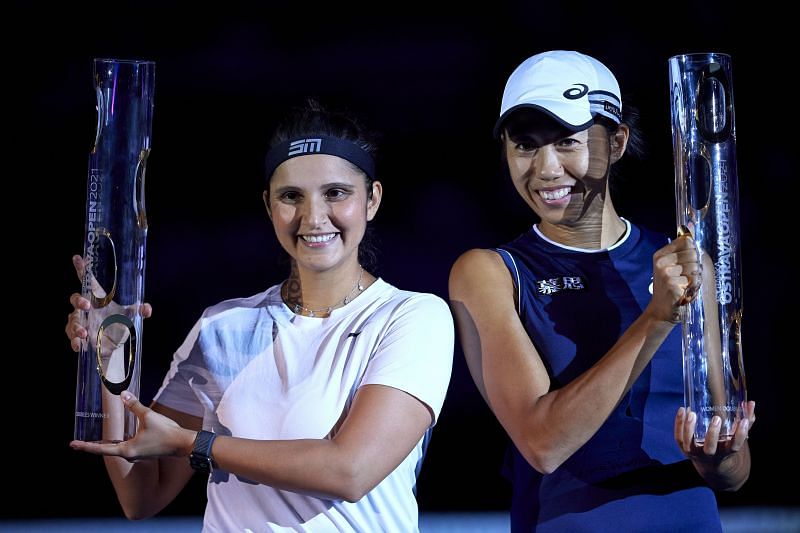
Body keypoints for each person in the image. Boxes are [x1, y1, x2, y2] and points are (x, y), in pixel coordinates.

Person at [66, 100, 454, 532]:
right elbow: (141, 495)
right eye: (291, 197)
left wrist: (198, 444)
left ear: (372, 200)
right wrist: (113, 351)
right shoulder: (221, 327)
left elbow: (350, 471)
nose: (313, 216)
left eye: (336, 193)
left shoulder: (412, 318)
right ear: (269, 206)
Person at [448, 50, 755, 532]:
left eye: (568, 142)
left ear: (616, 143)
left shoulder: (686, 264)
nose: (546, 169)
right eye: (525, 146)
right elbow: (543, 444)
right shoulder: (491, 272)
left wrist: (718, 455)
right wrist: (655, 320)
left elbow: (734, 474)